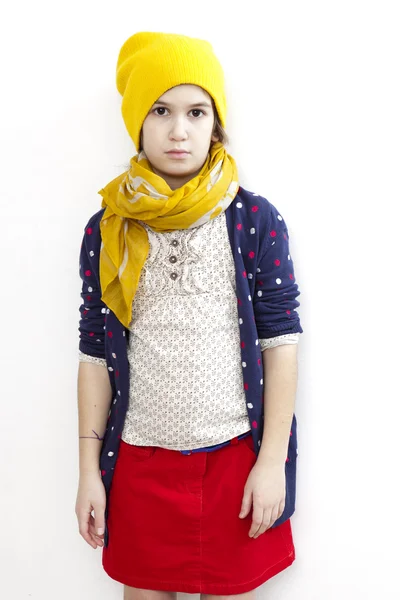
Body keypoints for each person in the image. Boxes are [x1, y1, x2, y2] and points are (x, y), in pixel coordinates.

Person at [75, 31, 304, 600]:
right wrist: (87, 473)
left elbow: (282, 343)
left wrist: (271, 460)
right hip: (140, 461)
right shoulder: (109, 228)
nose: (179, 130)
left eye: (196, 111)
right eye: (161, 110)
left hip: (233, 461)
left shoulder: (253, 220)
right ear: (138, 121)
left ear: (215, 123)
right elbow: (93, 353)